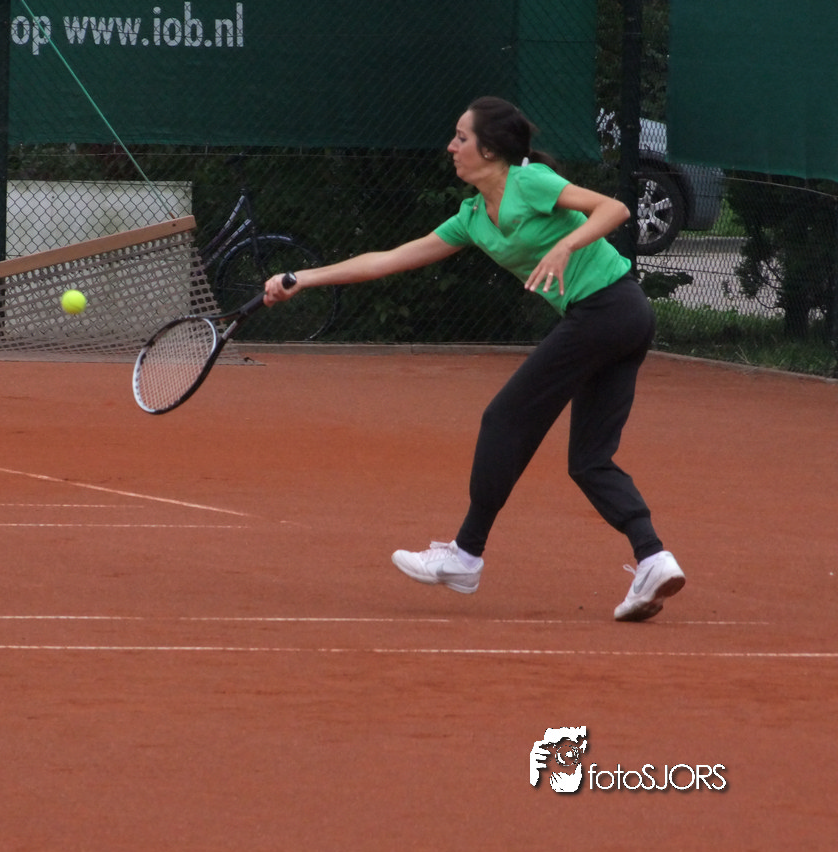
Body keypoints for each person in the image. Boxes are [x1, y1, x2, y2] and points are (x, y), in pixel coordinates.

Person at [263, 96, 685, 622]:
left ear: (489, 150)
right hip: (617, 318)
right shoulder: (472, 219)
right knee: (589, 461)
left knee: (505, 419)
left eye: (461, 138)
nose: (451, 147)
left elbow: (614, 209)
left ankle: (465, 555)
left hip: (610, 309)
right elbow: (387, 260)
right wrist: (302, 279)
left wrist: (565, 246)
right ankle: (653, 559)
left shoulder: (529, 182)